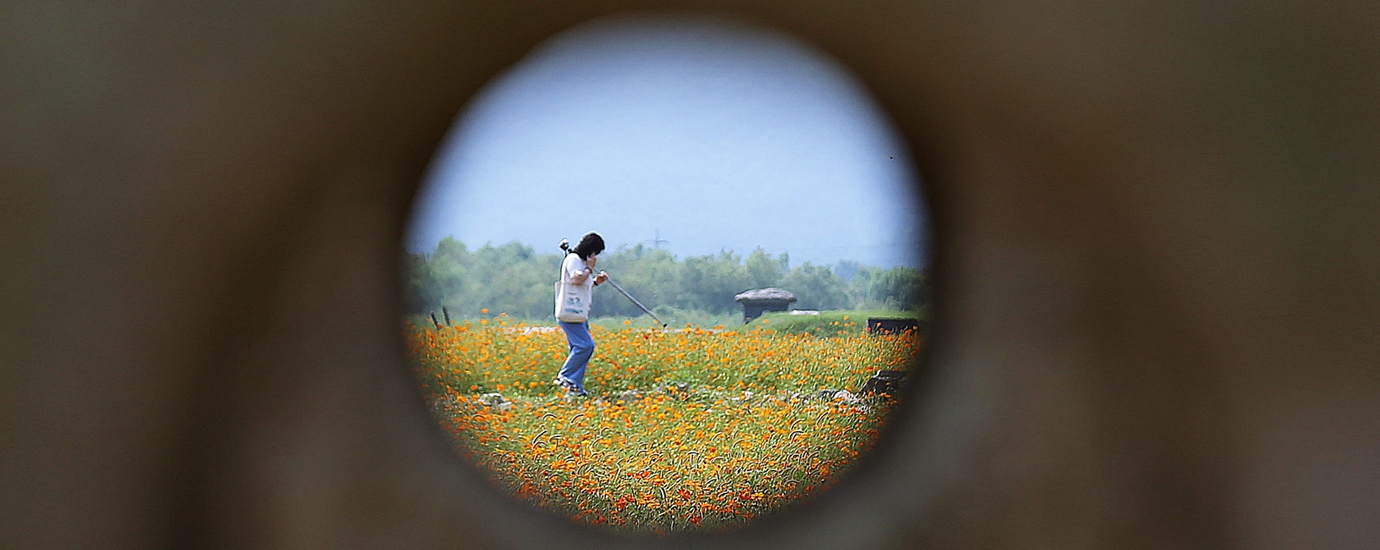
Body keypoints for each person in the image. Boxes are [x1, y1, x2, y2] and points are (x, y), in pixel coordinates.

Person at [552, 233, 608, 396]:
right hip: (570, 313)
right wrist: (589, 267)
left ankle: (575, 387)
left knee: (578, 348)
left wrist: (596, 281)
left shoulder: (581, 262)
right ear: (590, 251)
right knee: (586, 346)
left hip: (579, 313)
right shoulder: (573, 259)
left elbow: (583, 285)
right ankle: (566, 377)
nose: (596, 257)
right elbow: (576, 279)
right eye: (595, 253)